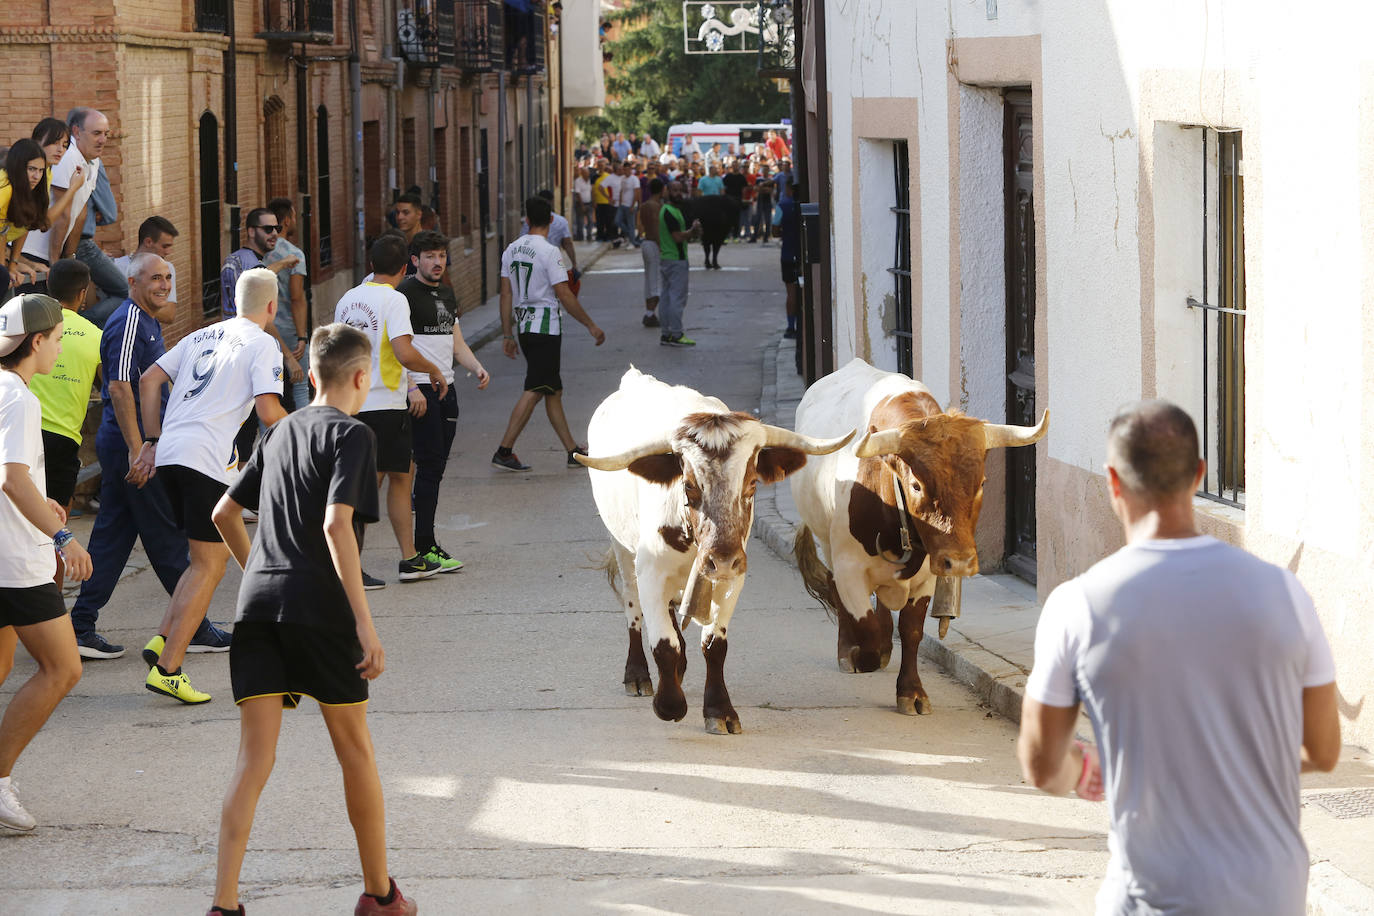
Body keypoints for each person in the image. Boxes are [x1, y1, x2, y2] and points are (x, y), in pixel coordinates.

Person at [1017, 400, 1341, 915]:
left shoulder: (1077, 606)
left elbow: (1039, 763)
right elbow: (1323, 749)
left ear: (1113, 482)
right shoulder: (1286, 594)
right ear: (1199, 475)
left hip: (1155, 896)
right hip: (1272, 893)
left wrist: (1084, 770)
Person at [207, 322, 419, 916]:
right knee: (355, 752)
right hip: (321, 612)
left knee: (253, 761)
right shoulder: (354, 435)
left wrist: (261, 574)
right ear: (360, 376)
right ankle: (380, 896)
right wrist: (365, 623)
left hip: (258, 609)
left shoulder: (276, 433)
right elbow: (335, 525)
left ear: (312, 374)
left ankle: (224, 904)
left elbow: (225, 512)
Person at [128, 268, 286, 705]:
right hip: (206, 458)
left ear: (235, 302)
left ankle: (162, 640)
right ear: (271, 306)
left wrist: (151, 439)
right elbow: (269, 411)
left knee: (200, 561)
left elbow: (148, 379)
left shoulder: (202, 334)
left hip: (171, 451)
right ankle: (170, 669)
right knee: (210, 566)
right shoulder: (263, 343)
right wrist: (314, 428)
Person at [69, 253, 234, 660]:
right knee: (166, 537)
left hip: (138, 445)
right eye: (154, 278)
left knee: (113, 535)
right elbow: (121, 387)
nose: (163, 285)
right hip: (135, 445)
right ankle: (193, 628)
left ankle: (79, 624)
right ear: (133, 283)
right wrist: (137, 448)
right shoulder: (128, 321)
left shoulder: (147, 321)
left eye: (167, 278)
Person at [0, 293, 91, 833]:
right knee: (63, 668)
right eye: (57, 338)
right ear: (37, 341)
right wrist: (62, 536)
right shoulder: (20, 398)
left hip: (8, 549)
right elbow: (11, 477)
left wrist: (42, 501)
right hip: (16, 560)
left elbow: (15, 477)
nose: (60, 346)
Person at [334, 235, 449, 589]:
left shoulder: (347, 299)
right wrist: (432, 370)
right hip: (383, 403)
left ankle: (408, 557)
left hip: (350, 402)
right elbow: (403, 351)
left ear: (370, 264)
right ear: (405, 267)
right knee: (384, 482)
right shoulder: (394, 299)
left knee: (393, 476)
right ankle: (353, 567)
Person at [398, 231, 489, 573]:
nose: (437, 262)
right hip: (421, 390)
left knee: (434, 469)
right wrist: (410, 387)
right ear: (415, 260)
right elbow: (396, 348)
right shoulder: (403, 295)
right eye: (430, 256)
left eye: (441, 256)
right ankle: (424, 546)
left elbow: (457, 343)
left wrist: (476, 367)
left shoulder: (448, 294)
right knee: (428, 466)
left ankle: (425, 545)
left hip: (446, 390)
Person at [493, 196, 605, 472]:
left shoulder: (511, 249)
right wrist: (590, 324)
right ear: (552, 220)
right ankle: (504, 450)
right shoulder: (549, 251)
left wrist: (507, 334)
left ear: (527, 220)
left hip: (524, 328)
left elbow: (506, 293)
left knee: (552, 390)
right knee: (535, 389)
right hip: (546, 328)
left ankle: (572, 451)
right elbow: (563, 293)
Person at [25, 259, 101, 593]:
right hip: (61, 444)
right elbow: (110, 388)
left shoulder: (31, 328)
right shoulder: (96, 336)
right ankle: (51, 608)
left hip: (21, 434)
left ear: (48, 287)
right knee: (56, 532)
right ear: (83, 293)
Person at [222, 207, 303, 466]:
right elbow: (265, 321)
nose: (274, 234)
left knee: (243, 429)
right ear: (250, 231)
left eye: (277, 228)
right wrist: (289, 358)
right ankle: (284, 479)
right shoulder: (254, 268)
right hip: (254, 351)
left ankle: (243, 493)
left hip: (234, 349)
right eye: (267, 229)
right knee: (281, 417)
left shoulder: (233, 259)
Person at [21, 108, 105, 274]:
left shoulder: (48, 173)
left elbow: (78, 214)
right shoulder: (25, 173)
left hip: (28, 255)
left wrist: (66, 257)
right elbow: (45, 222)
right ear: (37, 141)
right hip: (26, 253)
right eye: (54, 143)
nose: (60, 150)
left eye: (65, 145)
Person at [263, 198, 310, 410]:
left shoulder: (261, 253)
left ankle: (268, 440)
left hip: (265, 328)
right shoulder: (294, 254)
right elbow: (297, 297)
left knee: (269, 391)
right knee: (300, 388)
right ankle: (303, 435)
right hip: (289, 328)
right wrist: (302, 336)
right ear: (288, 220)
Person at [107, 216, 178, 330]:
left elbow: (169, 314)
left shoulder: (167, 269)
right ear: (148, 242)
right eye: (165, 246)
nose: (168, 252)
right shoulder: (116, 266)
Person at [1, 141, 52, 299]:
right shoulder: (5, 188)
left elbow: (23, 225)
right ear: (18, 167)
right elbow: (1, 234)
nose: (36, 176)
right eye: (31, 169)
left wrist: (14, 264)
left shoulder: (35, 188)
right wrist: (6, 269)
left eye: (40, 170)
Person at [657, 181, 701, 348]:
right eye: (673, 190)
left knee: (667, 297)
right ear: (667, 191)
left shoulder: (673, 210)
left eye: (679, 190)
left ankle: (666, 333)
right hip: (676, 259)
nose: (677, 193)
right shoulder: (669, 212)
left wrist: (691, 231)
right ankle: (676, 333)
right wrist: (692, 231)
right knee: (677, 298)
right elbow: (677, 236)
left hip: (668, 258)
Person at [636, 178, 665, 329]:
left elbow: (642, 224)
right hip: (653, 243)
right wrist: (661, 245)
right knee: (656, 281)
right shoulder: (656, 206)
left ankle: (649, 312)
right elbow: (655, 226)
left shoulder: (645, 205)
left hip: (646, 242)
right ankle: (650, 314)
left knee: (649, 280)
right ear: (661, 190)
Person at [777, 182, 801, 339]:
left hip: (787, 254)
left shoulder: (782, 205)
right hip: (801, 254)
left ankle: (791, 327)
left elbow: (774, 228)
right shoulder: (803, 205)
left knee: (791, 293)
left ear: (789, 189)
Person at [721, 161, 749, 239]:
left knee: (737, 218)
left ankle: (735, 236)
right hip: (728, 200)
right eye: (734, 165)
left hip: (738, 200)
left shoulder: (741, 177)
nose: (735, 167)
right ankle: (726, 236)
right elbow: (723, 188)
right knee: (727, 218)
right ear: (732, 167)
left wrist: (743, 198)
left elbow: (744, 188)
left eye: (736, 165)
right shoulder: (727, 176)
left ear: (738, 166)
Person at [614, 162, 639, 248]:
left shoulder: (634, 179)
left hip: (630, 205)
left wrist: (633, 205)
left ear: (631, 170)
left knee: (631, 224)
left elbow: (637, 193)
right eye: (624, 169)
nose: (626, 171)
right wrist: (620, 203)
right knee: (617, 221)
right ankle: (631, 236)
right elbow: (622, 191)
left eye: (628, 169)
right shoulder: (623, 179)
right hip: (623, 205)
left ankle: (632, 242)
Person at [593, 164, 619, 243]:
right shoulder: (594, 177)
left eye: (602, 166)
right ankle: (600, 236)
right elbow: (593, 189)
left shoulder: (608, 176)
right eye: (599, 166)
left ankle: (608, 236)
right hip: (598, 202)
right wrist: (594, 200)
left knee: (608, 220)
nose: (601, 167)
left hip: (607, 202)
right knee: (599, 220)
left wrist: (609, 198)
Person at [572, 166, 593, 241]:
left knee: (590, 220)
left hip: (589, 203)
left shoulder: (590, 180)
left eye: (587, 173)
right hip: (581, 204)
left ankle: (589, 235)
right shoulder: (578, 181)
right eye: (584, 173)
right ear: (582, 173)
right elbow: (578, 193)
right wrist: (582, 205)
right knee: (580, 221)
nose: (586, 175)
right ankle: (580, 236)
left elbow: (591, 191)